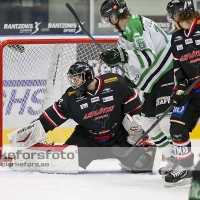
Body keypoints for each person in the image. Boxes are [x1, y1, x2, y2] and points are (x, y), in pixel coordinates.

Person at [7, 61, 156, 173]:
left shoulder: (115, 83)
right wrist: (27, 135)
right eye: (72, 79)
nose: (74, 83)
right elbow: (48, 120)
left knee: (144, 164)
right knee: (60, 162)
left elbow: (135, 108)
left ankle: (128, 159)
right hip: (88, 140)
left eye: (76, 79)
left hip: (118, 136)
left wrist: (137, 127)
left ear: (88, 76)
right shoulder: (70, 97)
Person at [99, 0, 175, 178]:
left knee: (164, 122)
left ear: (114, 15)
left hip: (168, 73)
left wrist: (122, 55)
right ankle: (172, 159)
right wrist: (122, 65)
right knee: (148, 123)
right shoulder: (125, 34)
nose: (108, 23)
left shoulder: (134, 24)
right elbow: (133, 62)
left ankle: (182, 161)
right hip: (155, 81)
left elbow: (147, 58)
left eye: (107, 19)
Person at [164, 0, 200, 186]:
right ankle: (186, 167)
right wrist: (180, 87)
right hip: (193, 91)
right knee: (177, 126)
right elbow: (177, 64)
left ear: (178, 15)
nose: (171, 19)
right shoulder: (176, 36)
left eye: (172, 15)